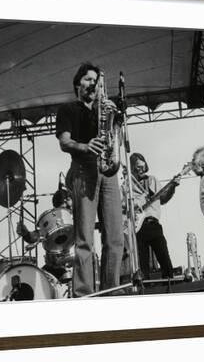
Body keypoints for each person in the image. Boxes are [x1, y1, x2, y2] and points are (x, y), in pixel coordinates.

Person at [55, 62, 124, 297]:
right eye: (87, 79)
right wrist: (84, 146)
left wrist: (114, 118)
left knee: (115, 236)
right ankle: (84, 294)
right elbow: (65, 142)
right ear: (77, 84)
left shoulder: (102, 109)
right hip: (83, 170)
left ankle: (111, 290)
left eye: (95, 80)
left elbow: (117, 140)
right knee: (85, 239)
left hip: (108, 171)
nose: (92, 83)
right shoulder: (67, 109)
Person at [122, 152, 180, 279]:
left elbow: (163, 199)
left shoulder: (152, 180)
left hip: (153, 223)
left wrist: (173, 187)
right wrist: (137, 203)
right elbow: (123, 206)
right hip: (138, 228)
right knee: (143, 265)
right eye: (138, 167)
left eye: (143, 166)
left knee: (164, 258)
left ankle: (169, 285)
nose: (141, 169)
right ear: (132, 168)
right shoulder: (127, 186)